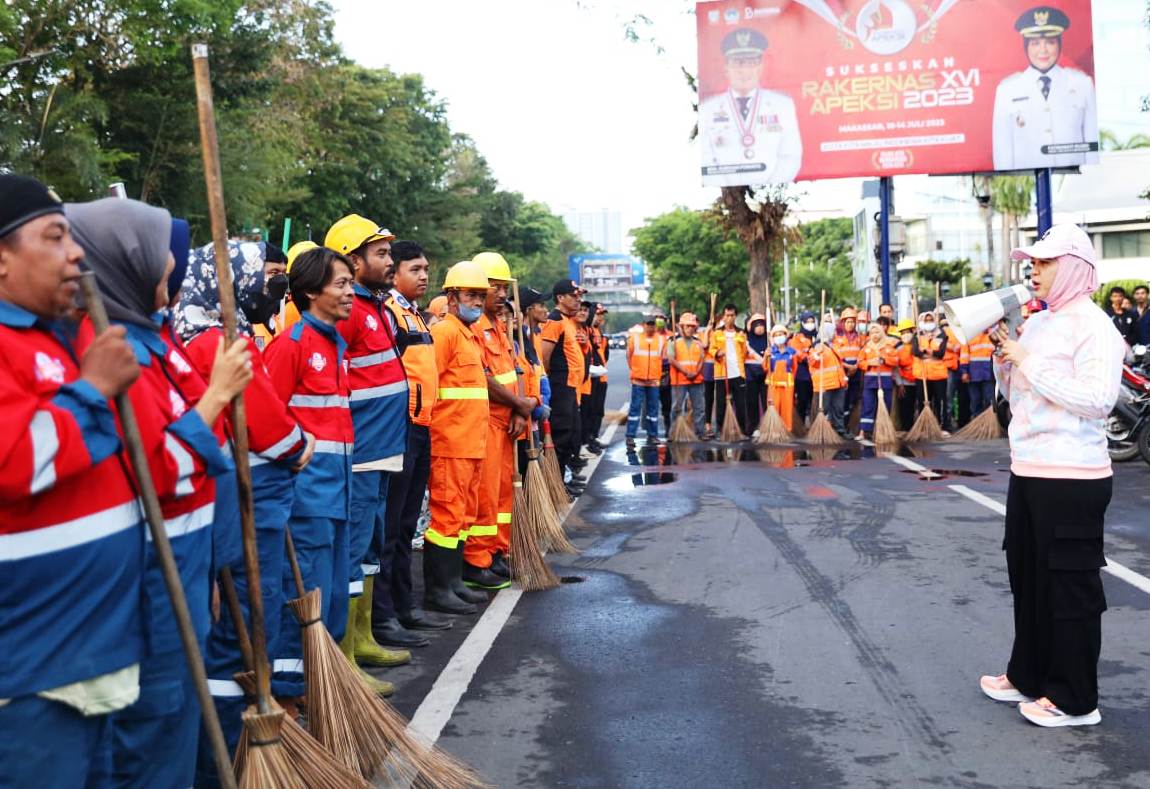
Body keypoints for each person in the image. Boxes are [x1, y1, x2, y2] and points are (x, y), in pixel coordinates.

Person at [70, 198, 252, 787]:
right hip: (152, 581)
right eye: (160, 255)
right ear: (130, 263)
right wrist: (218, 395)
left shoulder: (157, 341)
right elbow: (158, 473)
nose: (174, 267)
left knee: (179, 726)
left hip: (191, 567)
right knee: (155, 730)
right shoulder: (111, 353)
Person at [0, 176, 144, 787]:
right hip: (31, 674)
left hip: (83, 660)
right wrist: (92, 391)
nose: (76, 253)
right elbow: (17, 461)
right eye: (55, 237)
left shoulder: (44, 338)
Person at [173, 240, 316, 771]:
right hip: (247, 496)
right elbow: (261, 415)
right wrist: (299, 446)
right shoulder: (216, 342)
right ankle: (230, 751)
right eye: (259, 279)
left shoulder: (203, 336)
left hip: (246, 494)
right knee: (245, 620)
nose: (266, 291)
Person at [980, 223, 1124, 727]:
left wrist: (1026, 359)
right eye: (1032, 262)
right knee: (1029, 579)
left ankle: (1075, 699)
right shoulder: (1039, 324)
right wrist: (1006, 361)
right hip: (1029, 468)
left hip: (1074, 477)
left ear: (1075, 269)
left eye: (1044, 262)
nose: (1033, 271)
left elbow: (1096, 399)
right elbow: (1022, 393)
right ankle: (1029, 675)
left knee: (1069, 587)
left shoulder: (1096, 327)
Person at [322, 215, 415, 676]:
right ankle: (345, 659)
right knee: (354, 550)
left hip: (382, 446)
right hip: (359, 451)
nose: (389, 259)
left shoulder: (373, 305)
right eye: (380, 253)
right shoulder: (349, 310)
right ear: (353, 261)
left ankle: (364, 638)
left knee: (372, 547)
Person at [264, 246, 357, 699]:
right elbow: (266, 422)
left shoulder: (334, 345)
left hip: (337, 496)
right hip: (305, 501)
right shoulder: (291, 346)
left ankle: (322, 693)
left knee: (334, 602)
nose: (349, 293)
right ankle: (290, 698)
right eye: (340, 284)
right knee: (303, 603)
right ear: (309, 291)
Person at [373, 240, 454, 647]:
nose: (424, 276)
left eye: (426, 269)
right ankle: (384, 615)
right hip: (400, 427)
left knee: (406, 525)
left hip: (421, 426)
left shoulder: (415, 317)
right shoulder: (389, 314)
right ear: (396, 272)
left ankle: (405, 607)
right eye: (415, 269)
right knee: (390, 527)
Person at [423, 261, 491, 615]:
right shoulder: (445, 333)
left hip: (471, 442)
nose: (477, 302)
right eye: (470, 295)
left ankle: (454, 583)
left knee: (462, 515)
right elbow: (428, 383)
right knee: (447, 516)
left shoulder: (469, 334)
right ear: (451, 297)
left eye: (481, 296)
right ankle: (438, 590)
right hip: (450, 443)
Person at [466, 252, 535, 589]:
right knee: (485, 496)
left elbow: (512, 370)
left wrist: (522, 411)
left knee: (503, 493)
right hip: (487, 422)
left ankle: (497, 551)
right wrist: (520, 405)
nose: (502, 294)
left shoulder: (498, 326)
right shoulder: (475, 327)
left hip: (507, 422)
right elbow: (485, 379)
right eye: (495, 287)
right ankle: (478, 559)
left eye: (504, 288)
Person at [992, 6, 1098, 171]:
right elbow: (1003, 151)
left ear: (1059, 45)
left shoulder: (1082, 84)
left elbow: (1092, 143)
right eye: (1035, 43)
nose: (1043, 50)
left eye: (1050, 42)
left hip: (1072, 180)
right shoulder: (1007, 90)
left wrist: (1090, 179)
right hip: (1029, 183)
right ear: (1026, 47)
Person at [699, 27, 802, 185]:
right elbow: (705, 158)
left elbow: (791, 155)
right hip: (727, 185)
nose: (744, 71)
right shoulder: (708, 109)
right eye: (737, 63)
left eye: (751, 63)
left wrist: (769, 185)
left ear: (760, 67)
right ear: (726, 68)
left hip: (771, 188)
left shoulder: (783, 105)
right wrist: (725, 184)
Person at [540, 279, 588, 482]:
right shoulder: (555, 320)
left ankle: (563, 481)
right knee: (560, 437)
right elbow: (544, 356)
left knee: (571, 437)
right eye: (574, 296)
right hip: (561, 388)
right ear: (560, 298)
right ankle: (556, 485)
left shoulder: (568, 321)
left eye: (579, 296)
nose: (578, 300)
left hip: (571, 388)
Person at [626, 310, 667, 446]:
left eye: (652, 324)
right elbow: (629, 356)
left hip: (654, 381)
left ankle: (653, 435)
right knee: (635, 408)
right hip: (638, 379)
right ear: (643, 325)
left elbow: (663, 357)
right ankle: (630, 436)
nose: (651, 327)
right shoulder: (635, 338)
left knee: (653, 410)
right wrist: (635, 370)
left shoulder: (661, 340)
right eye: (648, 324)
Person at [709, 304, 750, 436]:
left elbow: (744, 352)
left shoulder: (741, 333)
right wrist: (717, 353)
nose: (729, 318)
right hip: (722, 373)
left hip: (738, 373)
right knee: (721, 403)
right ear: (723, 316)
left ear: (735, 316)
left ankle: (741, 430)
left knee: (740, 404)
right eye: (727, 315)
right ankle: (720, 430)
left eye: (732, 315)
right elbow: (711, 349)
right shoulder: (717, 333)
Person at [667, 311, 707, 438]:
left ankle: (700, 433)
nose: (690, 329)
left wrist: (695, 372)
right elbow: (671, 359)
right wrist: (685, 371)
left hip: (696, 380)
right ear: (681, 327)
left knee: (699, 408)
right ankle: (674, 434)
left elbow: (701, 359)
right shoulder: (673, 341)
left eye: (692, 326)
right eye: (687, 326)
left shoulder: (698, 342)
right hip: (680, 380)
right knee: (677, 408)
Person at [857, 322, 899, 439]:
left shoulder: (888, 346)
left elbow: (896, 360)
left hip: (885, 381)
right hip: (870, 381)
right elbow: (859, 363)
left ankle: (882, 430)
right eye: (872, 333)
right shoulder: (866, 348)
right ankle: (864, 431)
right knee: (868, 405)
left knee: (886, 405)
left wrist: (884, 360)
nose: (875, 335)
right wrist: (869, 363)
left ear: (881, 333)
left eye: (877, 332)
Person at [913, 310, 951, 435]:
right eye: (926, 320)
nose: (928, 322)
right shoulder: (917, 335)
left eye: (931, 320)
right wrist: (928, 352)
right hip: (922, 374)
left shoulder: (941, 334)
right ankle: (924, 427)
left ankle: (942, 427)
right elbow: (916, 352)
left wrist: (925, 351)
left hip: (938, 373)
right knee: (923, 401)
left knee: (940, 402)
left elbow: (940, 353)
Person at [807, 319, 848, 436]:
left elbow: (838, 365)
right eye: (833, 331)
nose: (835, 333)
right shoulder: (817, 346)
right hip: (824, 384)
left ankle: (839, 430)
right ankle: (820, 432)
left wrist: (843, 379)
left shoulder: (833, 345)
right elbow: (811, 362)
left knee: (838, 409)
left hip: (837, 383)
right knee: (823, 411)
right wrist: (816, 355)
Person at [832, 307, 863, 417]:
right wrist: (848, 367)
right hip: (843, 371)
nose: (851, 324)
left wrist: (855, 366)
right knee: (842, 398)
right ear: (843, 322)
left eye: (853, 322)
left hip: (856, 371)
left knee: (853, 398)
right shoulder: (836, 338)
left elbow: (862, 354)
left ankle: (850, 422)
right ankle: (841, 424)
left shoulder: (859, 338)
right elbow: (835, 357)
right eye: (848, 322)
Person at [766, 324, 797, 432]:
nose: (779, 337)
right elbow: (765, 367)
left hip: (787, 384)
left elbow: (795, 368)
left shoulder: (792, 352)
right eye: (776, 335)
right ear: (773, 338)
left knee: (787, 408)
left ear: (785, 336)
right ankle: (774, 430)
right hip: (774, 384)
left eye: (781, 334)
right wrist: (766, 356)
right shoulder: (771, 352)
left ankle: (787, 430)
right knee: (774, 406)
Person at [790, 311, 817, 425]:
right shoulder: (797, 337)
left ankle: (813, 423)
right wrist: (808, 358)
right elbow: (796, 352)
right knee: (803, 399)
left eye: (812, 322)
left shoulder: (818, 336)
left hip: (816, 372)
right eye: (807, 322)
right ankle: (800, 424)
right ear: (802, 323)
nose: (810, 324)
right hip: (803, 373)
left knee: (814, 400)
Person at [894, 319, 921, 429]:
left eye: (907, 332)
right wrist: (900, 383)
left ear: (913, 332)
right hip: (905, 383)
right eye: (903, 333)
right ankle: (906, 429)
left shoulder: (919, 347)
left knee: (920, 406)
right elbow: (895, 368)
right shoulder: (898, 349)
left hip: (919, 381)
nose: (905, 335)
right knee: (905, 408)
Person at [964, 328, 997, 416]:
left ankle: (990, 423)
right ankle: (977, 423)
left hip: (989, 373)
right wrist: (964, 372)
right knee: (975, 401)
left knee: (989, 400)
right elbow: (964, 355)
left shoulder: (993, 334)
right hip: (973, 374)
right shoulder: (969, 336)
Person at [744, 313, 768, 425]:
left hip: (766, 375)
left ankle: (767, 425)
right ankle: (753, 426)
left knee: (766, 401)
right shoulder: (746, 340)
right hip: (750, 375)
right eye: (757, 325)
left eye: (762, 325)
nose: (759, 327)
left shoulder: (768, 340)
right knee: (752, 401)